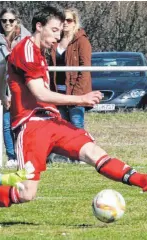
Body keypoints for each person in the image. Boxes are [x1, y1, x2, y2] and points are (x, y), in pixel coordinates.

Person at [0, 6, 147, 225]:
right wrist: (81, 99)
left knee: (93, 152)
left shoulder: (33, 49)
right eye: (55, 30)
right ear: (39, 27)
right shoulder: (27, 51)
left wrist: (2, 93)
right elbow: (39, 93)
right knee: (25, 193)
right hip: (31, 126)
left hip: (53, 122)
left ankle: (146, 181)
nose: (58, 36)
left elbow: (3, 65)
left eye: (61, 31)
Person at [0, 8, 31, 168]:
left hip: (21, 90)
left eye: (11, 20)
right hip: (2, 91)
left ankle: (22, 154)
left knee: (20, 123)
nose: (7, 24)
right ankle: (11, 157)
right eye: (4, 20)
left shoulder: (27, 39)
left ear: (17, 21)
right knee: (5, 124)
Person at [47, 7, 92, 164]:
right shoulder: (55, 41)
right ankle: (67, 156)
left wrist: (77, 96)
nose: (65, 23)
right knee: (62, 126)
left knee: (77, 125)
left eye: (69, 20)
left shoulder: (82, 41)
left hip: (75, 92)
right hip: (58, 92)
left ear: (75, 23)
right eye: (63, 20)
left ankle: (84, 156)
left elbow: (85, 70)